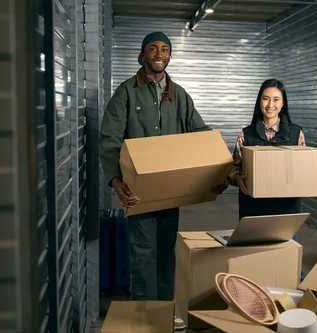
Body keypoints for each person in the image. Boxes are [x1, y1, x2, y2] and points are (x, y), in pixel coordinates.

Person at [98, 32, 212, 331]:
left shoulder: (179, 94)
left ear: (169, 56)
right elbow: (109, 139)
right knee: (143, 256)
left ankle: (164, 313)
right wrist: (114, 179)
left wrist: (219, 152)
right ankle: (147, 318)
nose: (159, 54)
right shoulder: (127, 92)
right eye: (153, 49)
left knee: (166, 254)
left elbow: (198, 130)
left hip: (170, 192)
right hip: (139, 192)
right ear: (143, 54)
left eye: (165, 49)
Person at [212, 78, 306, 279]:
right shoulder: (246, 134)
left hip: (285, 209)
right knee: (252, 263)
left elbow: (303, 167)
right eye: (265, 99)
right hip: (253, 208)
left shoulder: (296, 133)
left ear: (283, 104)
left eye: (276, 100)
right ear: (259, 102)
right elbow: (235, 166)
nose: (270, 105)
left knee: (288, 263)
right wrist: (238, 180)